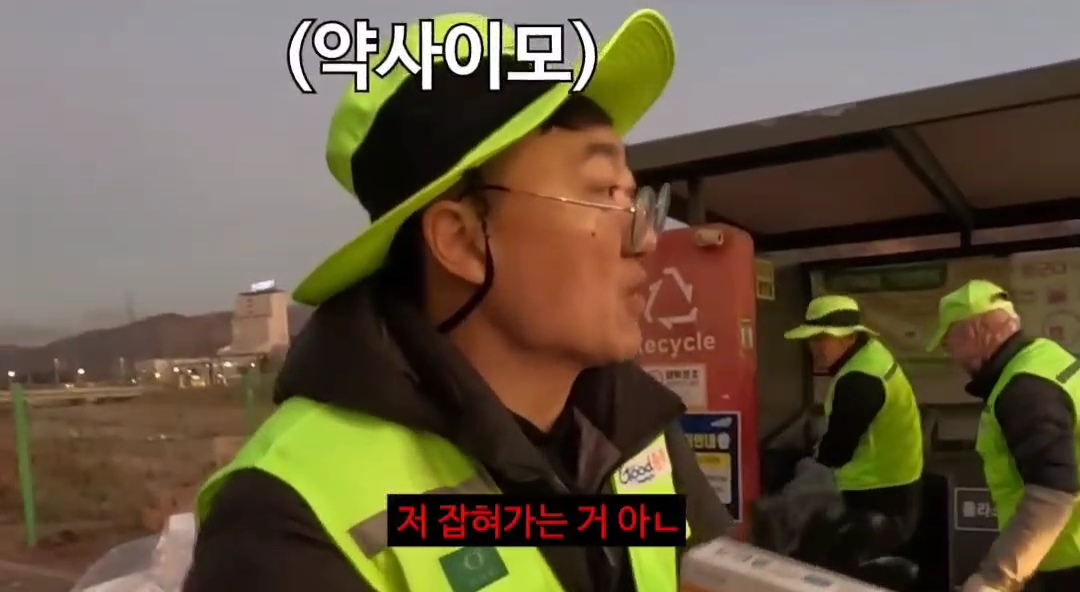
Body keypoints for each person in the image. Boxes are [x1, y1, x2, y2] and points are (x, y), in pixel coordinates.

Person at [182, 10, 734, 592]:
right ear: (465, 240)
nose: (645, 240)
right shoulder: (286, 521)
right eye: (601, 194)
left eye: (634, 199)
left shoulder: (633, 433)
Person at [928, 279, 1080, 592]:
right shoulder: (1047, 358)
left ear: (972, 332)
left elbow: (1053, 492)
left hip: (1069, 562)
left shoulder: (1024, 389)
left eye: (948, 342)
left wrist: (994, 578)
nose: (952, 356)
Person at [783, 294, 924, 558]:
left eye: (822, 338)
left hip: (873, 499)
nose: (814, 347)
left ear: (849, 338)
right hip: (896, 493)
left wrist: (806, 465)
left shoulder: (859, 380)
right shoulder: (872, 356)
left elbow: (836, 452)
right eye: (811, 339)